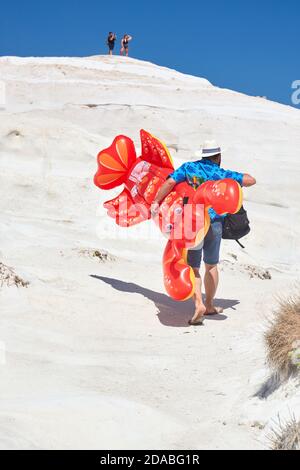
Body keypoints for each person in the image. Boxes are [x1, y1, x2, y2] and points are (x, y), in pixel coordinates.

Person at [151, 141, 256, 325]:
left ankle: (198, 303)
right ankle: (209, 305)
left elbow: (170, 182)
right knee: (211, 265)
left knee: (194, 266)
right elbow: (250, 180)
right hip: (214, 222)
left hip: (193, 222)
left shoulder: (189, 168)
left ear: (203, 155)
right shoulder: (222, 174)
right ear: (218, 157)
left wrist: (156, 201)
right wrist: (233, 181)